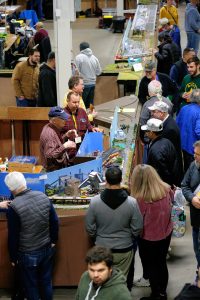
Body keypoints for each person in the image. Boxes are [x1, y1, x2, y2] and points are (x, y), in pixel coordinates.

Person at [4, 171, 59, 300]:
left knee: (31, 286)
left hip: (28, 253)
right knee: (46, 282)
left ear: (11, 189)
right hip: (46, 247)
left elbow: (13, 236)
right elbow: (55, 221)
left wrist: (13, 258)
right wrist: (53, 241)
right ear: (24, 182)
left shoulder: (14, 207)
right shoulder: (43, 196)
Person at [85, 166, 143, 280]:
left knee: (103, 281)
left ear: (105, 180)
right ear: (121, 180)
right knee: (122, 281)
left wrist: (97, 237)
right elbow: (138, 227)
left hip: (102, 248)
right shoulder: (132, 202)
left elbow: (89, 227)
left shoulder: (95, 202)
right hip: (124, 248)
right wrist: (130, 237)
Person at [131, 164, 173, 300]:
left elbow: (137, 223)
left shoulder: (140, 199)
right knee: (161, 262)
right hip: (166, 232)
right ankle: (162, 292)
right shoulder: (166, 189)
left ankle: (156, 294)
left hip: (148, 237)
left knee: (151, 266)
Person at [148, 101, 183, 184]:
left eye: (154, 111)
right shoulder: (165, 123)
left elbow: (167, 153)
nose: (152, 114)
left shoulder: (170, 129)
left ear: (162, 113)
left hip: (170, 174)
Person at [141, 118, 179, 187]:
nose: (145, 133)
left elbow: (162, 174)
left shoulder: (156, 151)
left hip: (161, 186)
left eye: (147, 131)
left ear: (152, 132)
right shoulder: (167, 141)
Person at [181, 140, 200, 279]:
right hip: (196, 217)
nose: (195, 157)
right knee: (197, 248)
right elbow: (184, 185)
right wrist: (192, 198)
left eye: (198, 155)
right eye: (195, 154)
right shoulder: (193, 166)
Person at [40, 106, 77, 171]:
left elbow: (54, 143)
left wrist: (66, 135)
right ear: (54, 120)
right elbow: (49, 155)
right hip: (53, 171)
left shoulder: (50, 126)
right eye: (62, 118)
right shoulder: (50, 134)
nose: (65, 120)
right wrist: (65, 146)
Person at [176, 89, 200, 172]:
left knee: (186, 168)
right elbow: (198, 131)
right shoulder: (199, 112)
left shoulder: (184, 108)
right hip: (194, 149)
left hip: (183, 145)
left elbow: (177, 124)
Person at [75, 42, 102, 108]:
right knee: (90, 103)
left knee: (82, 104)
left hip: (83, 85)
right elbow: (99, 72)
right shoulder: (94, 58)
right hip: (92, 84)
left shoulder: (78, 57)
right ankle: (91, 116)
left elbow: (76, 71)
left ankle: (82, 117)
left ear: (80, 49)